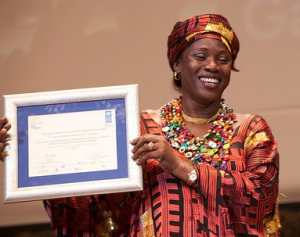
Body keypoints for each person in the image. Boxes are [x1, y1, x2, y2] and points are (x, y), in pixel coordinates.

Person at [0, 14, 281, 236]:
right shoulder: (138, 128)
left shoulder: (251, 131)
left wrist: (182, 166)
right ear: (177, 64)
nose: (213, 66)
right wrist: (27, 157)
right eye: (200, 56)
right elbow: (96, 212)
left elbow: (260, 203)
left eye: (224, 59)